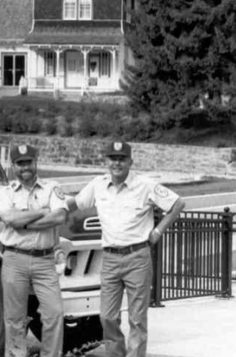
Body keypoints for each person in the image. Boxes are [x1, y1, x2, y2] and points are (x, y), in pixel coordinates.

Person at [66, 141, 185, 357]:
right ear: (107, 161)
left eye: (122, 159)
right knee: (107, 317)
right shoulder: (98, 185)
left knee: (137, 319)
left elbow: (177, 204)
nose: (117, 163)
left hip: (137, 257)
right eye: (113, 159)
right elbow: (75, 204)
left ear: (130, 161)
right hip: (110, 259)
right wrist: (50, 203)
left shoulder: (145, 185)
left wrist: (158, 231)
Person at [0, 144, 69, 357]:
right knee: (14, 318)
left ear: (36, 162)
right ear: (13, 166)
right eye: (20, 163)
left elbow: (60, 216)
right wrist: (43, 211)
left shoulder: (52, 187)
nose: (25, 167)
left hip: (45, 261)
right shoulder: (6, 192)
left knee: (54, 313)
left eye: (28, 162)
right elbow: (9, 218)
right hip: (14, 259)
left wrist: (25, 223)